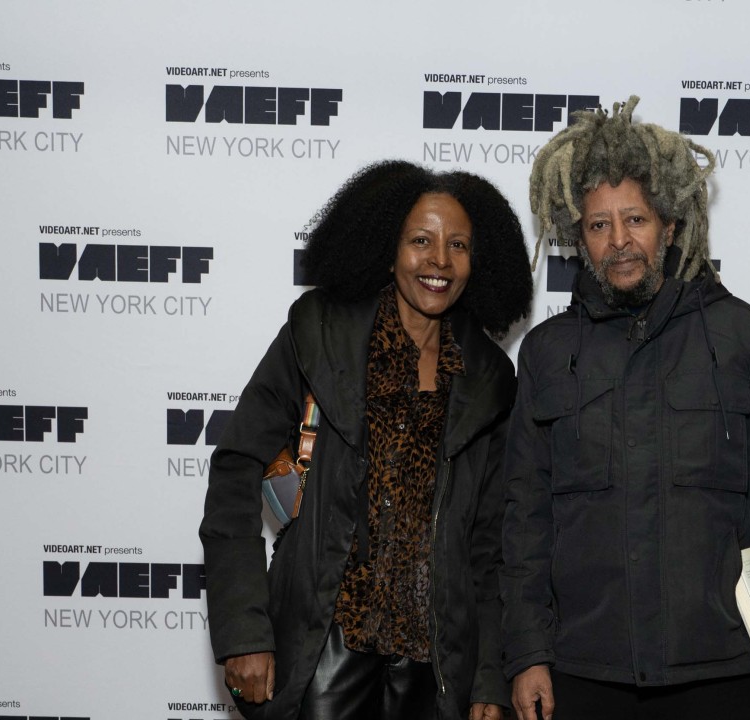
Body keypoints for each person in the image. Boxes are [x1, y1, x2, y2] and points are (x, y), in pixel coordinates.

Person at [501, 97, 750, 720]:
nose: (619, 241)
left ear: (670, 224)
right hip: (584, 667)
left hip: (717, 664)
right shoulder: (547, 353)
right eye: (599, 225)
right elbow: (525, 519)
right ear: (579, 238)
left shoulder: (745, 338)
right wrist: (526, 652)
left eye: (635, 219)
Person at [199, 160, 533, 720]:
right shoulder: (319, 335)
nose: (439, 261)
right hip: (323, 648)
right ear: (388, 248)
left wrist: (488, 680)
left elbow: (488, 548)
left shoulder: (489, 380)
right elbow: (236, 472)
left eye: (458, 246)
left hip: (434, 668)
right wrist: (243, 633)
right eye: (420, 241)